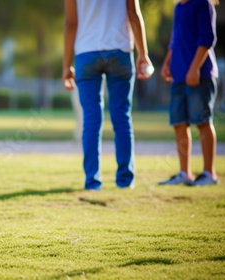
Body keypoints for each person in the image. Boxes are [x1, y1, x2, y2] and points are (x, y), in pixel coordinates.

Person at [63, 0, 153, 190]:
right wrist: (142, 54)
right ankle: (125, 180)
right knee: (122, 116)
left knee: (91, 119)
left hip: (86, 53)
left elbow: (71, 23)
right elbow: (134, 15)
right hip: (119, 50)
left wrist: (66, 65)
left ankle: (92, 181)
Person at [159, 0, 219, 186]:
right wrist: (167, 63)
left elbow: (207, 38)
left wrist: (194, 69)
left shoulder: (202, 3)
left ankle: (209, 173)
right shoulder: (179, 7)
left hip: (199, 75)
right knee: (179, 123)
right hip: (178, 76)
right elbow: (175, 39)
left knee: (202, 122)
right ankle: (184, 173)